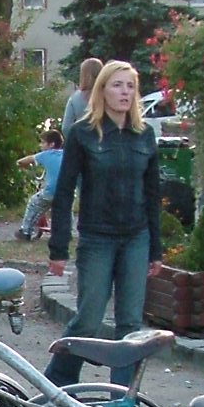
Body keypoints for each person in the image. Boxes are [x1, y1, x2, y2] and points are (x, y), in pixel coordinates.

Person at [45, 59, 163, 385]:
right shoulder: (83, 133)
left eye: (130, 86)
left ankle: (123, 400)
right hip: (97, 238)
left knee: (130, 326)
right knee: (88, 320)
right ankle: (55, 387)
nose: (124, 92)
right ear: (103, 90)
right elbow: (64, 192)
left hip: (136, 237)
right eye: (117, 85)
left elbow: (152, 194)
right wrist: (58, 248)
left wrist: (156, 249)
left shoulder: (144, 135)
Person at [15, 122, 64, 238]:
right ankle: (65, 232)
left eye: (43, 142)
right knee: (65, 211)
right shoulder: (66, 154)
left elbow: (26, 160)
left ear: (51, 144)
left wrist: (19, 164)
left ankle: (25, 231)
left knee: (34, 204)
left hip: (51, 191)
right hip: (66, 192)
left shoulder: (45, 154)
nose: (40, 145)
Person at [62, 56, 102, 134]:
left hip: (82, 138)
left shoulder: (75, 98)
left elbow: (66, 127)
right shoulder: (109, 95)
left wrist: (75, 139)